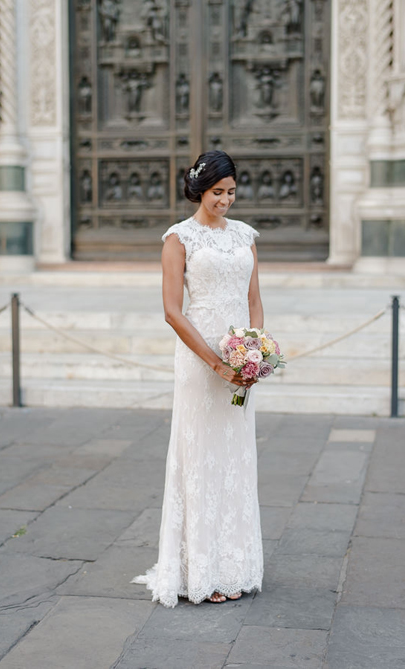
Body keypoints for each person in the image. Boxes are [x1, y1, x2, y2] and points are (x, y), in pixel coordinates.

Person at [133, 150, 265, 606]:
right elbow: (172, 311)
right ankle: (199, 570)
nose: (226, 201)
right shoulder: (179, 239)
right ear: (199, 190)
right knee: (200, 457)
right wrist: (215, 362)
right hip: (199, 356)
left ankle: (234, 565)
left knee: (235, 457)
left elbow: (254, 300)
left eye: (231, 192)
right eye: (217, 193)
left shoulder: (246, 236)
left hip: (238, 357)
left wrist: (254, 352)